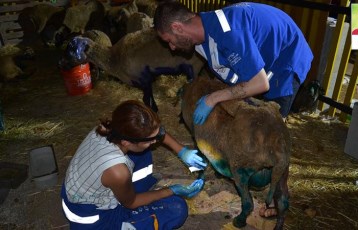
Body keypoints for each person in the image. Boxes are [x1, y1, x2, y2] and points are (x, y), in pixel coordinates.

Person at [153, 1, 313, 123]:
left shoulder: (228, 33)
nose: (172, 47)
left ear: (178, 28)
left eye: (169, 40)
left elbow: (260, 84)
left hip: (285, 57)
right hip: (264, 54)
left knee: (271, 125)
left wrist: (212, 98)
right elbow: (227, 69)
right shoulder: (202, 39)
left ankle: (304, 99)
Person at [61, 100, 207, 229]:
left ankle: (136, 189)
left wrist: (181, 150)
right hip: (94, 219)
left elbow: (153, 132)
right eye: (150, 140)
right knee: (176, 208)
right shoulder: (118, 171)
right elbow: (130, 203)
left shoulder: (108, 128)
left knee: (143, 151)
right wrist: (172, 190)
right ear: (126, 142)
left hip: (81, 190)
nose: (155, 141)